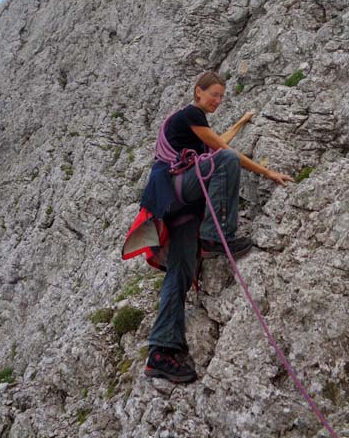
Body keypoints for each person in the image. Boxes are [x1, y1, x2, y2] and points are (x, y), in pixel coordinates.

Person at [122, 71, 294, 383]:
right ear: (197, 92)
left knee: (180, 273)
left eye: (220, 97)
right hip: (176, 187)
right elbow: (224, 153)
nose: (216, 101)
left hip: (179, 208)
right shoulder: (190, 113)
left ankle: (160, 353)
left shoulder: (196, 135)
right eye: (213, 94)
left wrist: (241, 122)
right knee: (226, 160)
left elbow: (219, 142)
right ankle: (217, 237)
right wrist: (268, 173)